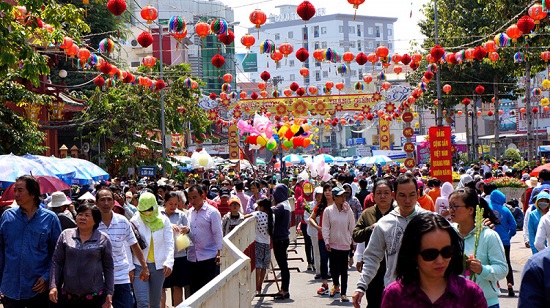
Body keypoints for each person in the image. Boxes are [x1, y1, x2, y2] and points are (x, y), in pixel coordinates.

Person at [380, 212, 487, 308]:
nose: (440, 261)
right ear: (413, 254)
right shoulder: (395, 295)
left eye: (447, 252)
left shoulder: (470, 293)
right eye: (430, 254)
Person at [352, 173, 426, 307]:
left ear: (418, 193)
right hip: (395, 293)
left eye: (412, 195)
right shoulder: (385, 224)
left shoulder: (429, 220)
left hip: (426, 293)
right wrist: (361, 286)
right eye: (402, 195)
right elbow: (372, 257)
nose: (407, 200)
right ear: (394, 196)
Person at [0, 175, 62, 307]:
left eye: (20, 190)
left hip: (38, 289)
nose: (16, 194)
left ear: (33, 193)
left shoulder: (50, 219)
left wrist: (47, 277)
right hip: (11, 289)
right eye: (15, 190)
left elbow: (57, 255)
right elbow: (1, 252)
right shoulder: (7, 217)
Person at [448, 188, 508, 307]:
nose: (451, 210)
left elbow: (502, 269)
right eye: (450, 206)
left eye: (455, 206)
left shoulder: (488, 235)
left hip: (486, 302)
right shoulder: (448, 233)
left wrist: (482, 269)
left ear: (471, 209)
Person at [49, 203, 114, 308]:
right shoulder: (65, 235)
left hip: (95, 296)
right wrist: (53, 286)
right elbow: (57, 262)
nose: (82, 218)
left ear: (95, 220)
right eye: (80, 214)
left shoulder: (103, 239)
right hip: (68, 295)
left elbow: (109, 267)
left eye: (87, 215)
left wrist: (109, 292)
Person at [96, 188, 150, 308]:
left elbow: (134, 245)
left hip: (121, 276)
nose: (106, 203)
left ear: (114, 202)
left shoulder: (123, 221)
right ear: (96, 203)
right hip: (99, 279)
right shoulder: (92, 223)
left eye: (109, 199)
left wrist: (144, 267)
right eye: (102, 200)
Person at [352, 179, 395, 308]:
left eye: (386, 193)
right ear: (373, 195)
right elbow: (356, 235)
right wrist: (371, 228)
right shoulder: (367, 213)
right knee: (374, 302)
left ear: (392, 195)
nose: (383, 196)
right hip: (373, 269)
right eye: (379, 193)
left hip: (393, 269)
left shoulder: (398, 214)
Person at [131, 192, 174, 308]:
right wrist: (130, 267)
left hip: (159, 266)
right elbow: (129, 244)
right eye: (143, 210)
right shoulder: (134, 221)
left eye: (149, 209)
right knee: (142, 302)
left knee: (155, 302)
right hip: (139, 266)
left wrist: (169, 262)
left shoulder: (164, 220)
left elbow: (170, 243)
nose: (146, 213)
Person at [186, 185, 223, 295]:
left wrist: (220, 252)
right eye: (190, 198)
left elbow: (218, 233)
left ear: (202, 196)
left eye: (195, 197)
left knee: (208, 292)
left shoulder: (212, 212)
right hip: (192, 258)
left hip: (208, 257)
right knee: (194, 292)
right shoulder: (189, 213)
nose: (192, 201)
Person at [322, 186, 355, 302]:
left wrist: (353, 243)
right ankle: (336, 284)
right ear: (335, 197)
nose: (343, 198)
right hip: (332, 244)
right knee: (334, 269)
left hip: (345, 244)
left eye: (344, 196)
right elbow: (325, 227)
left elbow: (352, 227)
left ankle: (344, 293)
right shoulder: (328, 211)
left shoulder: (348, 210)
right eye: (340, 196)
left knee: (344, 270)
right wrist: (326, 241)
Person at [160, 192, 190, 307]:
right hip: (163, 256)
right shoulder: (158, 214)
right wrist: (168, 225)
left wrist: (186, 230)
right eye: (170, 204)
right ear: (165, 202)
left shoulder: (181, 215)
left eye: (176, 204)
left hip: (179, 255)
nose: (173, 207)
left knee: (178, 285)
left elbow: (190, 231)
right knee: (161, 285)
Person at [488, 189, 517, 296]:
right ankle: (510, 284)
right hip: (505, 241)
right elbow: (513, 226)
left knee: (491, 262)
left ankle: (495, 284)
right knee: (506, 262)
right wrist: (508, 235)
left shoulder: (487, 208)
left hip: (490, 240)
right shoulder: (506, 210)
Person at [244, 198, 273, 295]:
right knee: (265, 265)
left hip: (258, 242)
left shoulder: (258, 214)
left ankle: (257, 285)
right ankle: (260, 284)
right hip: (267, 243)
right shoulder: (272, 216)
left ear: (261, 207)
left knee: (258, 265)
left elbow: (245, 217)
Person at [309, 183, 334, 293]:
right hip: (322, 238)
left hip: (336, 238)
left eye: (330, 190)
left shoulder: (339, 204)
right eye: (326, 190)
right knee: (324, 260)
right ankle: (324, 284)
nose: (327, 192)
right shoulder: (321, 205)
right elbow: (311, 218)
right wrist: (318, 227)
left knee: (335, 262)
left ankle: (336, 284)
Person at [271, 184, 292, 300]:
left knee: (283, 265)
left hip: (280, 239)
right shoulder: (286, 204)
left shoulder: (282, 206)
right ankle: (284, 288)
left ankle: (285, 290)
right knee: (283, 265)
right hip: (282, 238)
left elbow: (270, 211)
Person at [307, 187, 323, 278]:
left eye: (321, 196)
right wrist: (314, 222)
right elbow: (306, 217)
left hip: (323, 231)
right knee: (316, 251)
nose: (319, 198)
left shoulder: (325, 205)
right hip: (314, 231)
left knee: (324, 252)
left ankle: (325, 270)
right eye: (318, 196)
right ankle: (318, 271)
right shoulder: (310, 205)